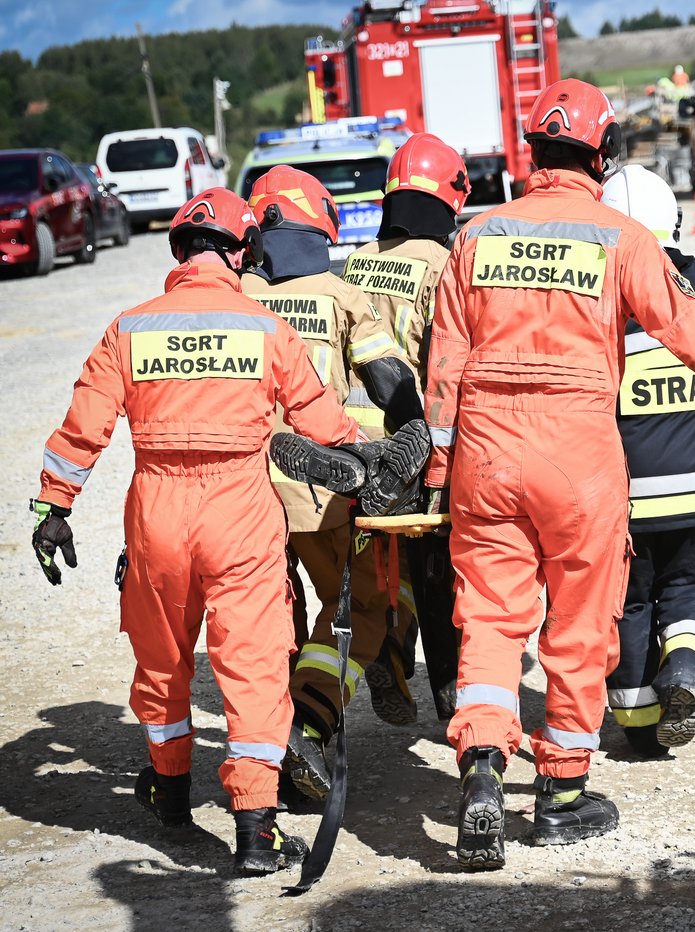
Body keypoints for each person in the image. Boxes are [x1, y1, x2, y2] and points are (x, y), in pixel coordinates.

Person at [422, 78, 695, 871]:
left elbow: (447, 366)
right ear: (603, 157)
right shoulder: (622, 238)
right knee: (578, 627)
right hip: (580, 461)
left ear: (531, 153)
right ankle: (561, 795)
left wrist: (442, 466)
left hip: (487, 459)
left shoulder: (475, 237)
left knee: (492, 623)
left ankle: (482, 766)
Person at [29, 188, 364, 874]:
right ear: (243, 254)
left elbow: (84, 426)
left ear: (180, 252)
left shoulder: (130, 327)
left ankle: (170, 792)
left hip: (156, 511)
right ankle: (256, 830)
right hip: (241, 511)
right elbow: (324, 423)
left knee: (162, 660)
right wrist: (369, 458)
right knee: (253, 666)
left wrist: (54, 508)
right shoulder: (265, 327)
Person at [240, 165, 425, 801]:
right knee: (363, 605)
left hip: (240, 496)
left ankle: (264, 752)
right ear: (320, 225)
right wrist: (415, 442)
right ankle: (311, 722)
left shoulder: (233, 297)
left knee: (269, 623)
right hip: (316, 492)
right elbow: (391, 383)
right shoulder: (341, 296)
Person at [599, 165, 695, 755]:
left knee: (629, 603)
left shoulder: (596, 300)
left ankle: (640, 728)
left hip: (626, 500)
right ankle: (687, 669)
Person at [339, 132, 470, 725]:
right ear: (450, 198)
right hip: (416, 439)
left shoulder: (358, 259)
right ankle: (449, 690)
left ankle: (389, 651)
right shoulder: (446, 264)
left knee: (379, 561)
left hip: (351, 445)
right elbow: (449, 359)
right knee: (436, 562)